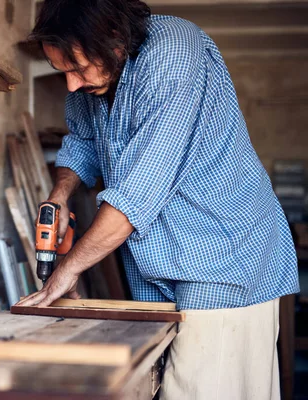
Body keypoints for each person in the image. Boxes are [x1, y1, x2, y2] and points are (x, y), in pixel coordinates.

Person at [16, 1, 300, 398]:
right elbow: (82, 141)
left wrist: (69, 268)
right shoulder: (95, 77)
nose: (71, 85)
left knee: (202, 390)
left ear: (113, 39)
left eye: (77, 68)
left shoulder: (173, 53)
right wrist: (60, 194)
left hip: (221, 253)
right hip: (157, 261)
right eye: (62, 71)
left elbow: (137, 193)